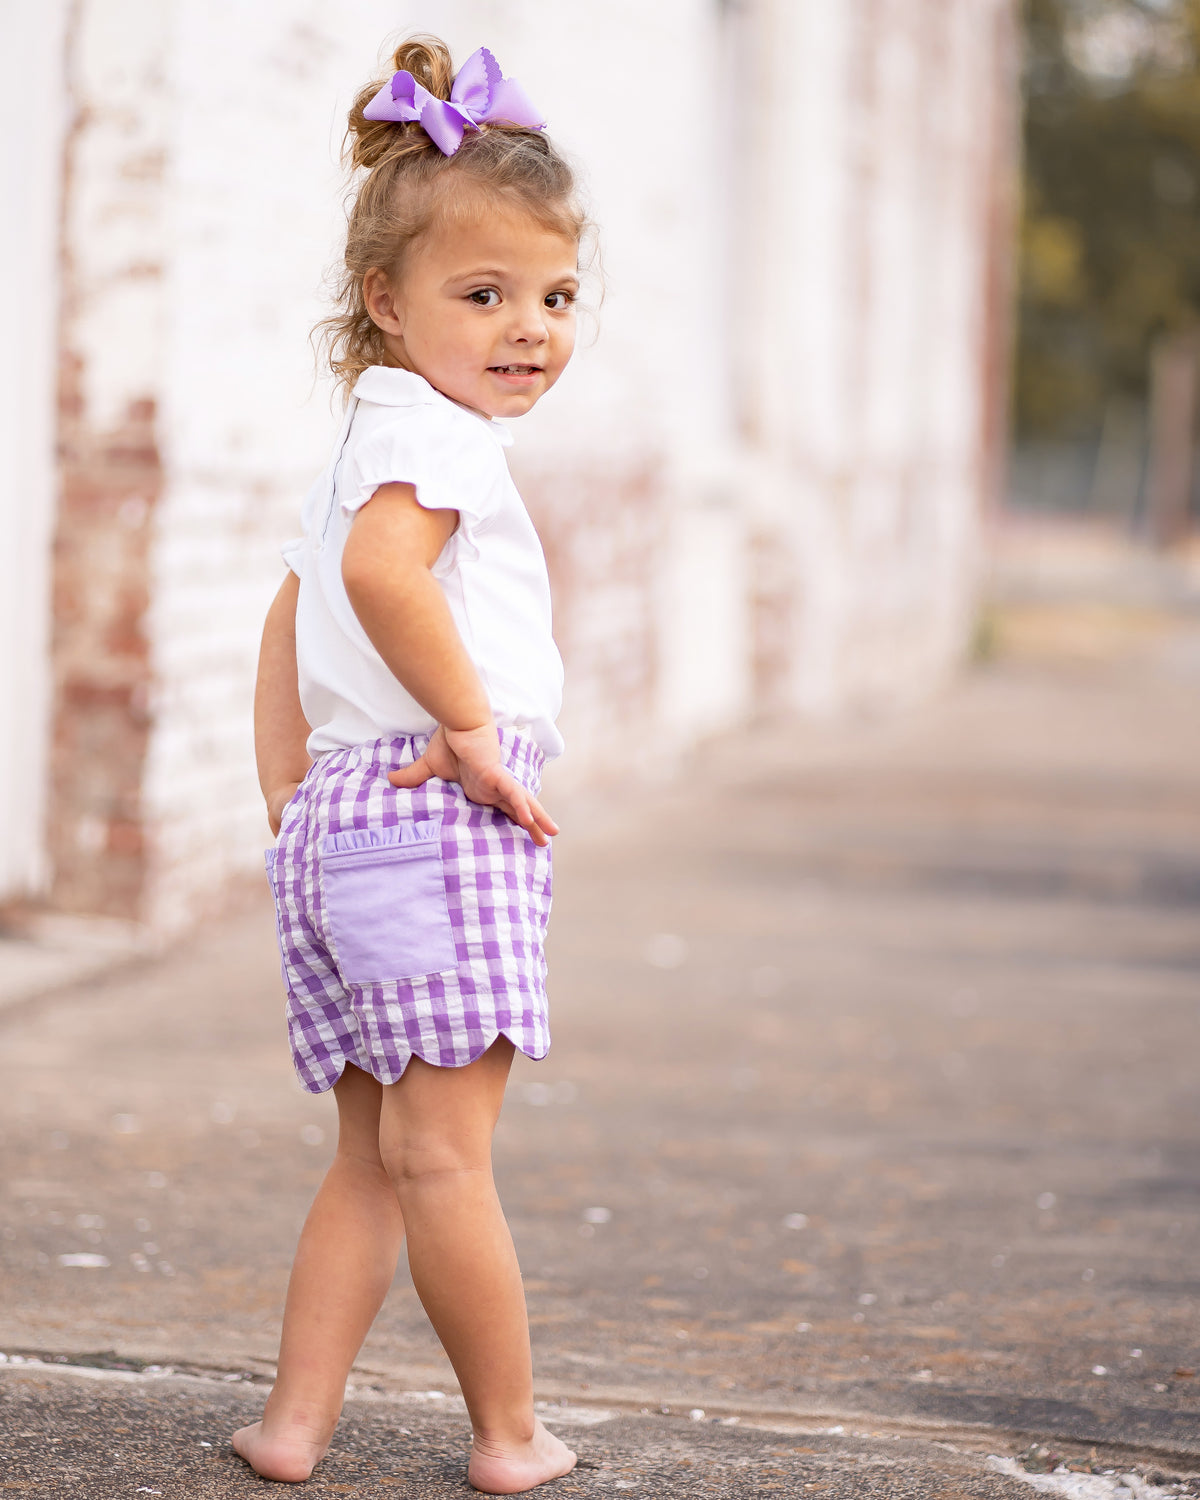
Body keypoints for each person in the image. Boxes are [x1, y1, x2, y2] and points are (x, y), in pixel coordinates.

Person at [234, 34, 584, 1494]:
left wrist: (285, 788)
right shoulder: (439, 444)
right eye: (483, 295)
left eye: (556, 297)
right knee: (445, 1159)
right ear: (386, 300)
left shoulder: (367, 438)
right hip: (436, 815)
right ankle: (510, 1434)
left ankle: (293, 1426)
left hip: (345, 818)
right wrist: (471, 728)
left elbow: (292, 610)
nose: (530, 329)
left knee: (375, 1157)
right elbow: (380, 578)